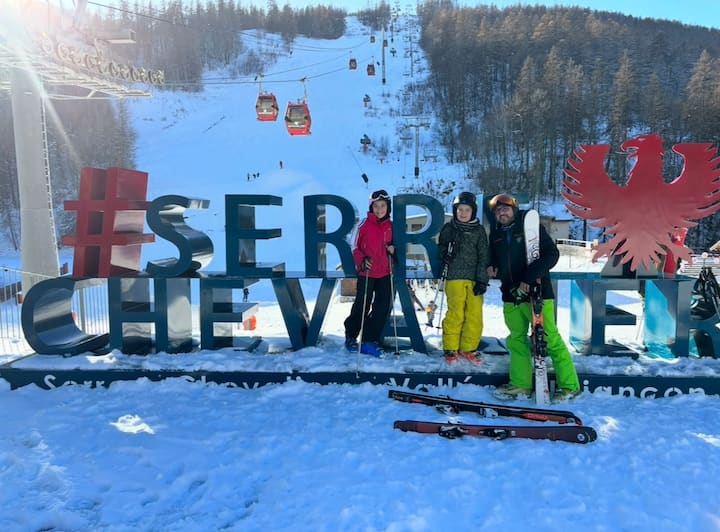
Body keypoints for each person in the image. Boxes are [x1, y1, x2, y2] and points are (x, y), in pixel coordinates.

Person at [487, 193, 581, 401]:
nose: (502, 213)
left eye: (505, 209)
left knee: (549, 338)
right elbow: (495, 259)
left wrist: (529, 278)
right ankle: (521, 384)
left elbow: (551, 255)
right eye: (498, 210)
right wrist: (492, 266)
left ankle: (569, 385)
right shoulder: (496, 235)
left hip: (537, 293)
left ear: (514, 210)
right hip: (511, 295)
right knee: (516, 340)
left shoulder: (531, 228)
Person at [438, 192, 489, 365]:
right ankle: (450, 347)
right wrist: (445, 254)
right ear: (455, 211)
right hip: (454, 277)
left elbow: (483, 256)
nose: (463, 213)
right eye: (460, 210)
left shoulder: (479, 231)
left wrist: (482, 280)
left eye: (467, 210)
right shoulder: (449, 228)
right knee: (456, 313)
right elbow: (441, 247)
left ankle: (468, 347)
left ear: (473, 211)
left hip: (474, 278)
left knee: (474, 314)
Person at [344, 190, 395, 357]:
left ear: (388, 207)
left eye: (383, 206)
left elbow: (396, 246)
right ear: (371, 207)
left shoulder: (391, 225)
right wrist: (361, 259)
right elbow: (354, 246)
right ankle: (351, 336)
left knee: (381, 307)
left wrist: (393, 250)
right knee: (362, 305)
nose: (379, 209)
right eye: (376, 206)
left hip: (385, 272)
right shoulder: (364, 225)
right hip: (367, 271)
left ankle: (369, 340)